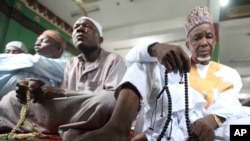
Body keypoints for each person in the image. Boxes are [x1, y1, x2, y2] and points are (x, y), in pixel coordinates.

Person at [72, 6, 250, 141]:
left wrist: (210, 122)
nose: (204, 42)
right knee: (147, 62)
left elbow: (228, 107)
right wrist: (155, 48)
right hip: (172, 122)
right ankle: (117, 128)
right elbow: (133, 60)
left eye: (209, 37)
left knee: (244, 125)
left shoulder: (229, 73)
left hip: (215, 127)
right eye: (197, 38)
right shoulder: (176, 65)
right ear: (188, 45)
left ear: (215, 40)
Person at [0, 16, 126, 141]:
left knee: (109, 100)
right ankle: (74, 128)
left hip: (95, 108)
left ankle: (67, 128)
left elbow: (113, 96)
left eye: (87, 26)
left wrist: (60, 93)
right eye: (76, 27)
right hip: (70, 111)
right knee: (11, 98)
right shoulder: (72, 63)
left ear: (101, 39)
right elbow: (63, 99)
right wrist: (38, 88)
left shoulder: (114, 59)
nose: (80, 29)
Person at [0, 30, 66, 99]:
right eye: (37, 40)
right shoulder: (22, 62)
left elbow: (33, 62)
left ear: (58, 48)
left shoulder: (63, 65)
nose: (37, 43)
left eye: (43, 41)